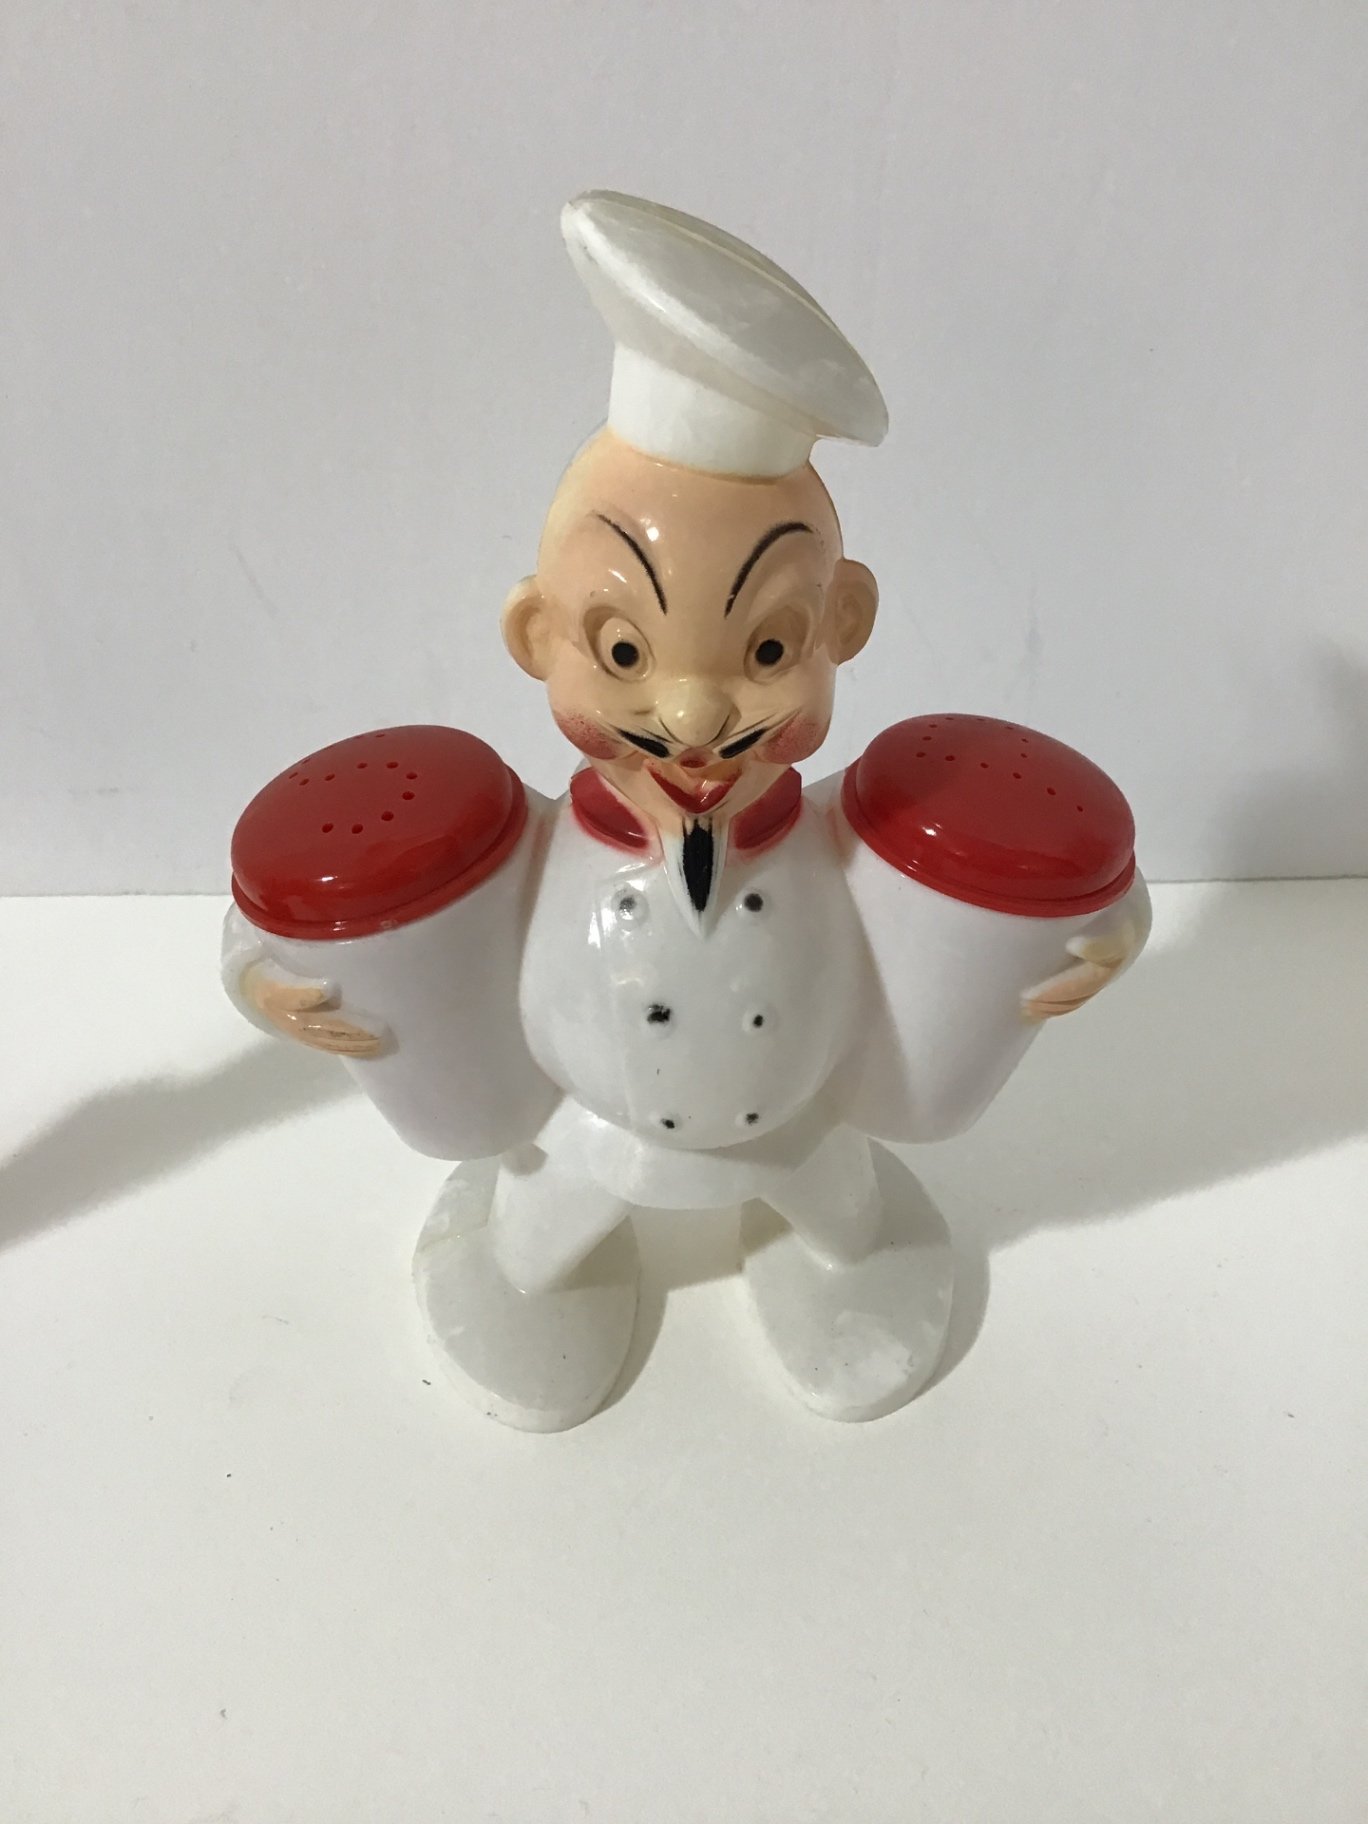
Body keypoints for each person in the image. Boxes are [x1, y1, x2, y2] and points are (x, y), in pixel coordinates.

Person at [226, 193, 1148, 1431]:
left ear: (843, 626)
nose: (696, 709)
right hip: (582, 1141)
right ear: (535, 636)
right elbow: (274, 921)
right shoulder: (511, 849)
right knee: (533, 1245)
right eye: (624, 649)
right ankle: (515, 1272)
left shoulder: (864, 839)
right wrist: (263, 980)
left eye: (767, 646)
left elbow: (1089, 889)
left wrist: (1110, 938)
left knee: (849, 1226)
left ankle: (846, 1262)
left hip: (807, 1131)